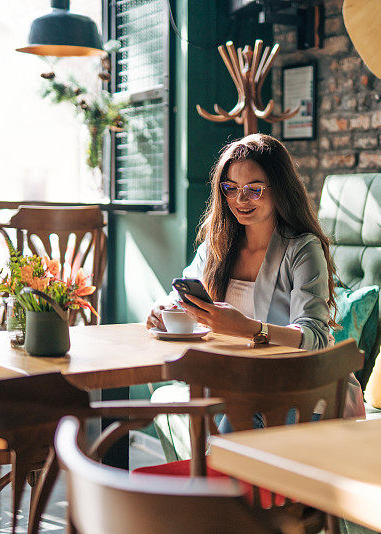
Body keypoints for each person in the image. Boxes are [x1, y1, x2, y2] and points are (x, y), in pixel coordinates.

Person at [146, 133, 363, 461]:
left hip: (305, 391)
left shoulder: (302, 248)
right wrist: (162, 309)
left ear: (279, 188)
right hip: (243, 385)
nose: (240, 199)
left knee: (227, 451)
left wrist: (249, 328)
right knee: (184, 408)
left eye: (254, 189)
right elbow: (179, 294)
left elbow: (316, 339)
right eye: (230, 188)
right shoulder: (218, 246)